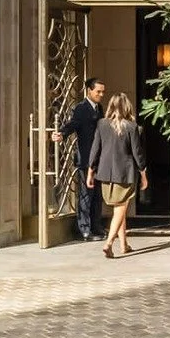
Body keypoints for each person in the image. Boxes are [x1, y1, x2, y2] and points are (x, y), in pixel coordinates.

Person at [86, 92, 148, 258]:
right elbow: (137, 153)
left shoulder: (102, 124)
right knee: (120, 208)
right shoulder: (131, 126)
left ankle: (124, 244)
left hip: (105, 173)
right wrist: (143, 174)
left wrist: (90, 172)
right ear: (127, 107)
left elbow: (95, 149)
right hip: (125, 173)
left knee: (119, 207)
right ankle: (109, 244)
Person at [51, 78, 107, 241]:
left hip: (98, 159)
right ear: (89, 91)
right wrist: (61, 133)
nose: (101, 94)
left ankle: (96, 227)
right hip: (86, 159)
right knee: (86, 195)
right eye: (98, 91)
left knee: (97, 195)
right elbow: (73, 124)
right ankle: (84, 229)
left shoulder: (99, 108)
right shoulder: (81, 108)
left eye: (103, 91)